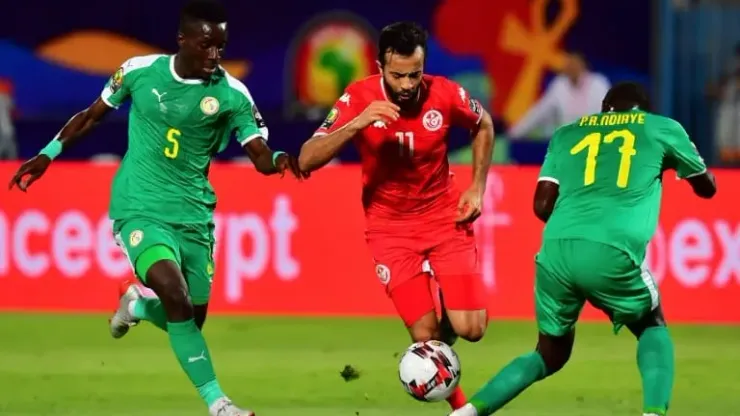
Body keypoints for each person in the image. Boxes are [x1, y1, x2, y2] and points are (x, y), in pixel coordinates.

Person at [8, 0, 306, 414]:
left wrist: (278, 160)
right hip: (140, 208)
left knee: (190, 319)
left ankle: (135, 304)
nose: (215, 55)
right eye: (206, 45)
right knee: (174, 293)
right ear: (182, 39)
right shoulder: (139, 71)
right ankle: (219, 404)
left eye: (220, 46)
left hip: (194, 217)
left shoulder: (232, 94)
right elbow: (91, 116)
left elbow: (258, 152)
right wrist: (47, 154)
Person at [449, 82, 717, 416]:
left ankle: (467, 412)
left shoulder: (567, 133)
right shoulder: (660, 127)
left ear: (604, 109)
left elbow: (541, 205)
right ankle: (653, 412)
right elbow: (706, 188)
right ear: (643, 111)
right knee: (652, 324)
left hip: (556, 252)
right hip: (611, 249)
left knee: (549, 354)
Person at [298, 21, 496, 410]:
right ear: (380, 67)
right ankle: (461, 409)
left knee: (471, 328)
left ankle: (449, 306)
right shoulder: (359, 97)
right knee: (425, 338)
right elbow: (306, 159)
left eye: (414, 74)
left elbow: (484, 124)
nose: (406, 85)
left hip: (444, 219)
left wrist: (477, 187)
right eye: (397, 75)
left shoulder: (444, 93)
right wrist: (358, 122)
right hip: (390, 231)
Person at [508, 52, 610, 140]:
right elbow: (539, 112)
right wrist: (514, 133)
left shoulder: (598, 83)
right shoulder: (560, 84)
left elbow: (609, 112)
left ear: (583, 65)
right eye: (569, 64)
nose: (572, 67)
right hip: (568, 141)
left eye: (575, 63)